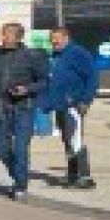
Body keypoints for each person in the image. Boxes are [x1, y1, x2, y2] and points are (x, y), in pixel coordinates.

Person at [0, 22, 49, 201]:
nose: (3, 38)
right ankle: (18, 175)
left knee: (20, 148)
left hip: (23, 107)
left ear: (18, 37)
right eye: (2, 35)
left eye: (6, 35)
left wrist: (27, 89)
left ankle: (20, 186)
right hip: (0, 107)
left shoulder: (32, 56)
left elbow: (44, 81)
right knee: (0, 147)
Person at [43, 27, 98, 189]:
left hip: (74, 105)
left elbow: (92, 77)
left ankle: (85, 177)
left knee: (75, 140)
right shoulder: (56, 55)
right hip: (60, 106)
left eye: (57, 38)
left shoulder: (78, 53)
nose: (54, 41)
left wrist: (85, 100)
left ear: (66, 37)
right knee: (67, 140)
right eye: (52, 39)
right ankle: (72, 175)